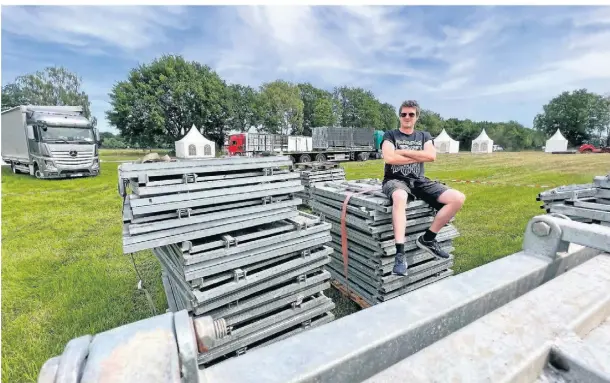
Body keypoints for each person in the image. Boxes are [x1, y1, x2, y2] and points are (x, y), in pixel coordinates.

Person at [381, 100, 466, 276]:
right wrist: (419, 156)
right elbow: (389, 158)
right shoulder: (390, 134)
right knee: (400, 197)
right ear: (399, 116)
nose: (407, 117)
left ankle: (428, 239)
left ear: (416, 117)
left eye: (411, 114)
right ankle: (400, 254)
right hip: (395, 180)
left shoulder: (424, 136)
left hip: (419, 181)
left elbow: (431, 156)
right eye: (403, 114)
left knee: (458, 198)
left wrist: (402, 152)